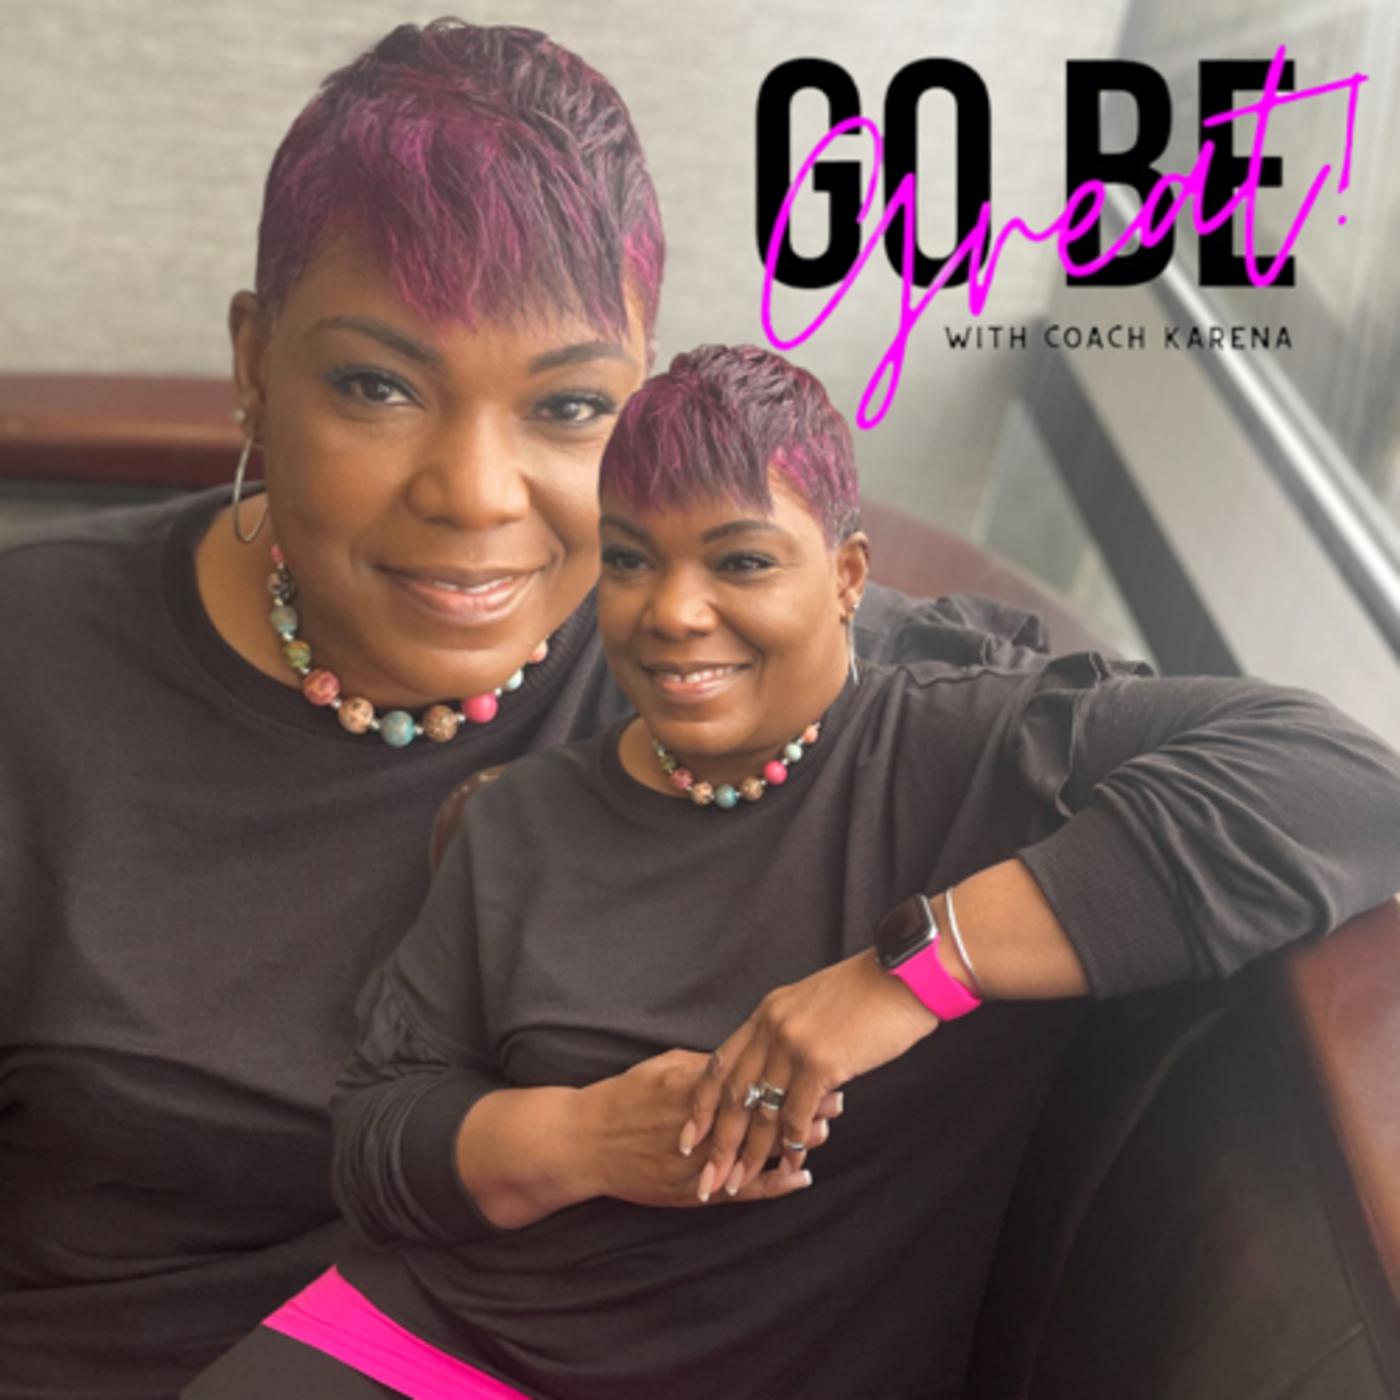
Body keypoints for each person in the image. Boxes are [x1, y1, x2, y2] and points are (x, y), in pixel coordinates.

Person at [0, 23, 1043, 1400]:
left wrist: (913, 971)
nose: (476, 493)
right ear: (254, 363)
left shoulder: (755, 665)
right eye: (379, 386)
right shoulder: (34, 668)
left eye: (568, 406)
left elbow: (1274, 781)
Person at [187, 345, 1400, 1399]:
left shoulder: (975, 747)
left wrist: (904, 975)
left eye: (740, 561)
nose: (673, 612)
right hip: (415, 1345)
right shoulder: (522, 821)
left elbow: (1345, 779)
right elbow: (378, 1135)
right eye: (631, 560)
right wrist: (590, 1135)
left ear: (849, 576)